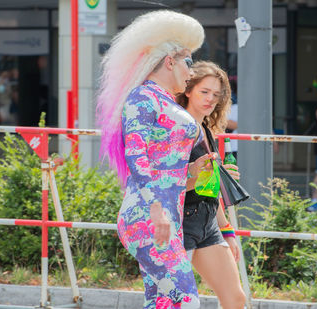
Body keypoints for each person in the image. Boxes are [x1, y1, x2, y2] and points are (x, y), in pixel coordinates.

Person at [95, 11, 209, 309]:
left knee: (161, 302)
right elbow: (137, 156)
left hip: (166, 216)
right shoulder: (142, 97)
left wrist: (193, 171)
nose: (191, 71)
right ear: (169, 61)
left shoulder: (164, 100)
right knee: (186, 299)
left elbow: (165, 166)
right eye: (188, 62)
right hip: (147, 216)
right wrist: (157, 212)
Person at [176, 61, 246, 309]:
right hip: (179, 221)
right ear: (188, 90)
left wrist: (227, 230)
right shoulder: (177, 128)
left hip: (207, 220)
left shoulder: (206, 130)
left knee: (235, 299)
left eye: (216, 95)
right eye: (204, 92)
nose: (210, 99)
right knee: (178, 303)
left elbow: (209, 190)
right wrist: (204, 175)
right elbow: (164, 184)